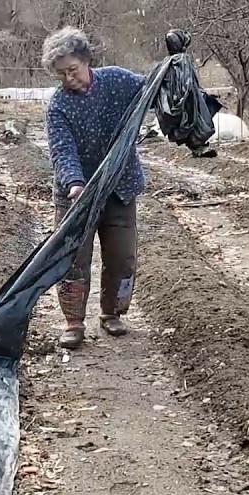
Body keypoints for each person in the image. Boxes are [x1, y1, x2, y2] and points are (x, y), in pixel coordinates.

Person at [42, 26, 146, 349]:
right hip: (78, 195)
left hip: (119, 186)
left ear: (86, 60)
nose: (69, 79)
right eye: (62, 75)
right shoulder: (58, 106)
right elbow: (63, 150)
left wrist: (172, 69)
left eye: (73, 70)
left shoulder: (116, 81)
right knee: (74, 257)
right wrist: (74, 183)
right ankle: (73, 322)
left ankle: (111, 313)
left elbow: (150, 89)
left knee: (122, 256)